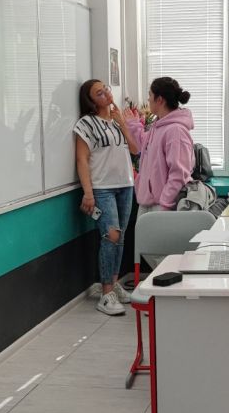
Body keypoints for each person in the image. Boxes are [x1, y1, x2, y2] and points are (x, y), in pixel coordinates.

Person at [74, 79, 139, 316]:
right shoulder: (86, 124)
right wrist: (88, 193)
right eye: (99, 93)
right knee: (110, 235)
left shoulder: (116, 120)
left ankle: (114, 283)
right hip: (102, 188)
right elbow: (81, 159)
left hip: (125, 185)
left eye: (106, 89)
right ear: (91, 101)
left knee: (120, 237)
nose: (106, 94)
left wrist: (122, 123)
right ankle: (106, 293)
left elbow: (135, 150)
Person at [126, 77, 195, 216]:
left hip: (162, 207)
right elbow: (142, 145)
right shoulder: (158, 126)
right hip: (148, 204)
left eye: (150, 95)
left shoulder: (176, 131)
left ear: (160, 100)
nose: (148, 99)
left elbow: (179, 174)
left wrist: (165, 206)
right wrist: (133, 124)